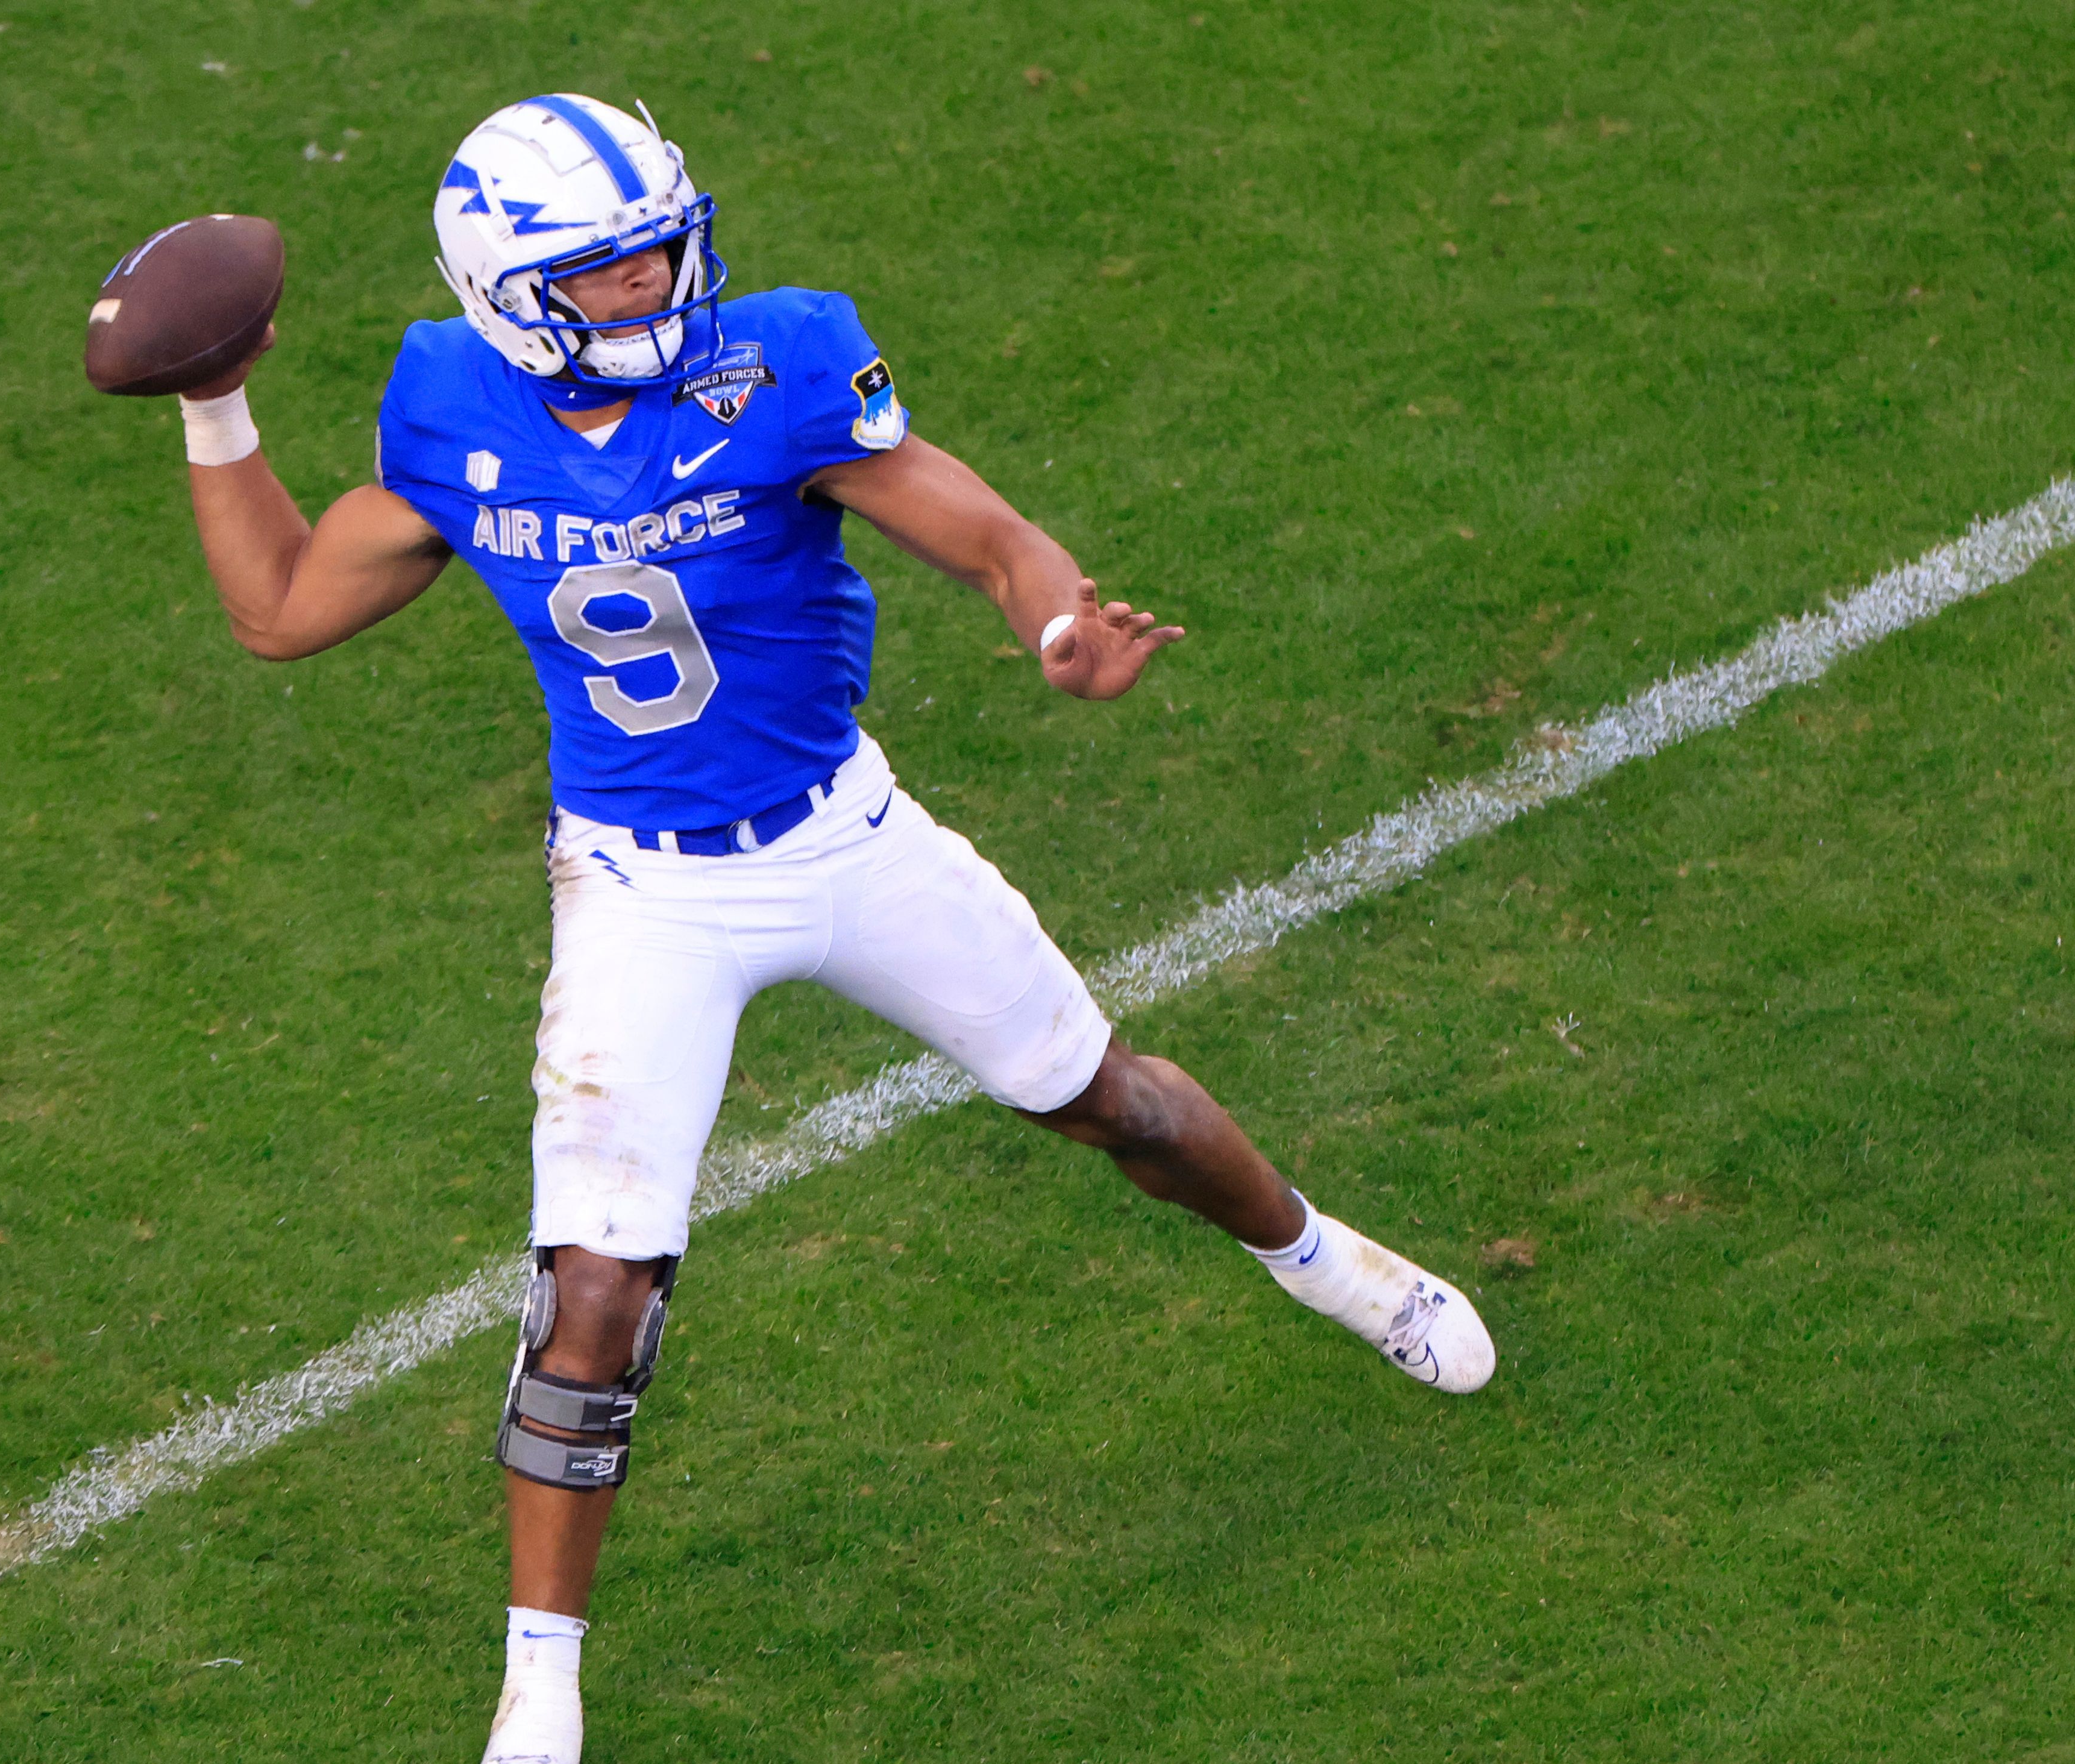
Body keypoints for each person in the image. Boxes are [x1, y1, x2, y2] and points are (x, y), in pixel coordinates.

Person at [167, 92, 1495, 1764]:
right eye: (610, 275)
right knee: (592, 1300)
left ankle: (1326, 1263)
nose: (658, 289)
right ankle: (540, 1687)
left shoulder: (779, 366)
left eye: (664, 250)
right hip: (640, 885)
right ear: (509, 294)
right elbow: (283, 608)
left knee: (1120, 1107)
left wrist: (1060, 619)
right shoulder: (447, 403)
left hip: (845, 841)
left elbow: (980, 528)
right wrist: (214, 402)